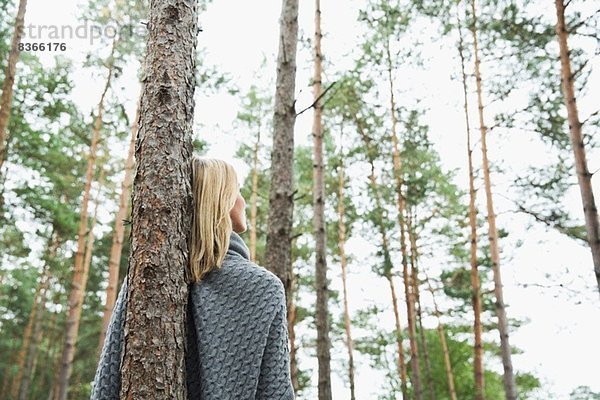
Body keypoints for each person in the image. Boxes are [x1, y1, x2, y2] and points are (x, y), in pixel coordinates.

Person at [91, 157, 295, 400]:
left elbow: (108, 381)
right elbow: (275, 391)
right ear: (222, 200)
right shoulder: (263, 288)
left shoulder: (147, 273)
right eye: (237, 191)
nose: (242, 201)